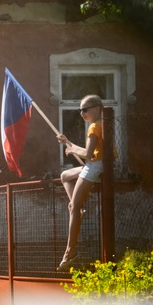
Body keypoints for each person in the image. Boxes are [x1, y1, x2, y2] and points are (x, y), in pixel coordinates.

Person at [56, 94, 104, 271]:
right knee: (65, 176)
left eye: (85, 109)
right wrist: (68, 143)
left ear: (97, 108)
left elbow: (88, 154)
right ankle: (78, 209)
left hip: (96, 165)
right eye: (79, 110)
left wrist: (70, 146)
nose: (81, 113)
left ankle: (70, 251)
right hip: (99, 163)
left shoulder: (94, 127)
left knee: (73, 208)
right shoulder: (103, 124)